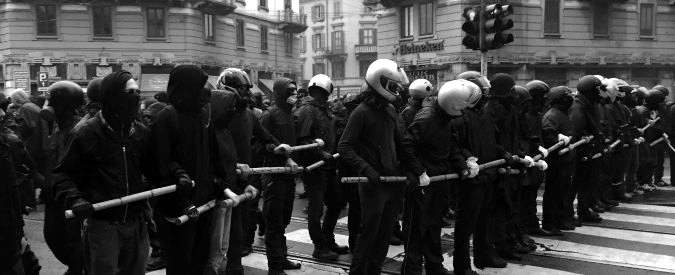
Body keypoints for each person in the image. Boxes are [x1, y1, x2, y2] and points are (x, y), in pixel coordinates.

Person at [54, 71, 151, 275]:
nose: (135, 97)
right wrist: (75, 200)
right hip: (103, 225)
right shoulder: (86, 133)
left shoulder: (140, 133)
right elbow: (62, 175)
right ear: (113, 96)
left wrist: (178, 173)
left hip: (136, 223)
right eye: (129, 92)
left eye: (137, 92)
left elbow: (157, 169)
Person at [338, 59, 418, 275]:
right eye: (394, 87)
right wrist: (366, 168)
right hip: (373, 184)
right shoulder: (361, 112)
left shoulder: (390, 110)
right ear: (380, 83)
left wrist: (415, 170)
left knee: (384, 236)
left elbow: (401, 144)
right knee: (369, 234)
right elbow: (345, 146)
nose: (398, 92)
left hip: (392, 182)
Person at [150, 65, 231, 275]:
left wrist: (220, 182)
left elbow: (213, 157)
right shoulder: (167, 117)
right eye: (200, 85)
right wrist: (179, 180)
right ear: (187, 89)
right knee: (180, 265)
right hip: (177, 209)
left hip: (203, 204)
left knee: (199, 262)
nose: (206, 91)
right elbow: (160, 162)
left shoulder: (202, 117)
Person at [401, 79, 479, 275]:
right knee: (416, 230)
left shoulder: (446, 119)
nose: (463, 111)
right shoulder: (427, 118)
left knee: (434, 226)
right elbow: (406, 146)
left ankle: (434, 265)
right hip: (422, 183)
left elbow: (451, 147)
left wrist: (463, 166)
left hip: (438, 181)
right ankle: (412, 271)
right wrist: (419, 172)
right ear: (453, 103)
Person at [214, 68, 277, 273]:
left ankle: (234, 269)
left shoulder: (249, 115)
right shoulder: (216, 116)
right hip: (219, 182)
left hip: (241, 182)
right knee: (218, 237)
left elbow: (265, 136)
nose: (246, 93)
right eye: (241, 88)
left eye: (246, 88)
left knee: (237, 233)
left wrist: (281, 149)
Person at [452, 71, 508, 270]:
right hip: (472, 178)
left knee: (485, 219)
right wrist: (468, 161)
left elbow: (491, 141)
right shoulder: (459, 115)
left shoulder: (483, 113)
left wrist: (504, 154)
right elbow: (455, 145)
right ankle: (462, 264)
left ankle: (484, 256)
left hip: (487, 175)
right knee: (466, 223)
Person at [295, 74, 349, 261]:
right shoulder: (307, 110)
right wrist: (321, 154)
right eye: (322, 95)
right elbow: (303, 139)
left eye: (326, 96)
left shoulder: (324, 109)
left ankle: (327, 238)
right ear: (314, 91)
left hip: (328, 166)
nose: (325, 98)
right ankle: (319, 247)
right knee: (315, 209)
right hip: (314, 168)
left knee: (335, 203)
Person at [41, 81, 87, 275]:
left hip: (71, 196)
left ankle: (78, 268)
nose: (47, 106)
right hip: (55, 195)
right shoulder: (58, 126)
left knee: (73, 239)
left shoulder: (80, 129)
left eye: (51, 102)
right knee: (53, 236)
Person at [260, 77, 303, 275]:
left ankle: (282, 258)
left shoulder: (291, 115)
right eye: (290, 90)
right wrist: (277, 151)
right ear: (279, 92)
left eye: (295, 90)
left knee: (283, 220)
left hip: (289, 176)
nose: (294, 93)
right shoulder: (269, 115)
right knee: (274, 222)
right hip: (274, 175)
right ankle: (274, 266)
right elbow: (260, 142)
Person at [569, 75, 609, 223]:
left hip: (590, 151)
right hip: (582, 152)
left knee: (587, 183)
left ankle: (584, 210)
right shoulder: (579, 106)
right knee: (575, 185)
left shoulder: (589, 104)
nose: (599, 93)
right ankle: (568, 212)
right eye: (597, 90)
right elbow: (576, 129)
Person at [520, 80, 554, 237]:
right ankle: (527, 227)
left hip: (535, 160)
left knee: (531, 196)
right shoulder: (527, 115)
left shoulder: (535, 113)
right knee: (525, 198)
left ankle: (530, 225)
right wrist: (534, 152)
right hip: (528, 161)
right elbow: (526, 138)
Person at [541, 86, 575, 233]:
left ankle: (559, 220)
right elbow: (548, 135)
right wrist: (558, 139)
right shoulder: (552, 115)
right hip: (556, 161)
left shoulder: (562, 113)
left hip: (565, 160)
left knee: (563, 192)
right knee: (554, 192)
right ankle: (550, 222)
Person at [9, 88, 47, 210]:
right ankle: (44, 195)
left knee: (32, 172)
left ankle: (35, 199)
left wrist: (17, 130)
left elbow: (28, 126)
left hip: (33, 144)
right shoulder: (31, 105)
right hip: (39, 142)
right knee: (38, 170)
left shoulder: (25, 108)